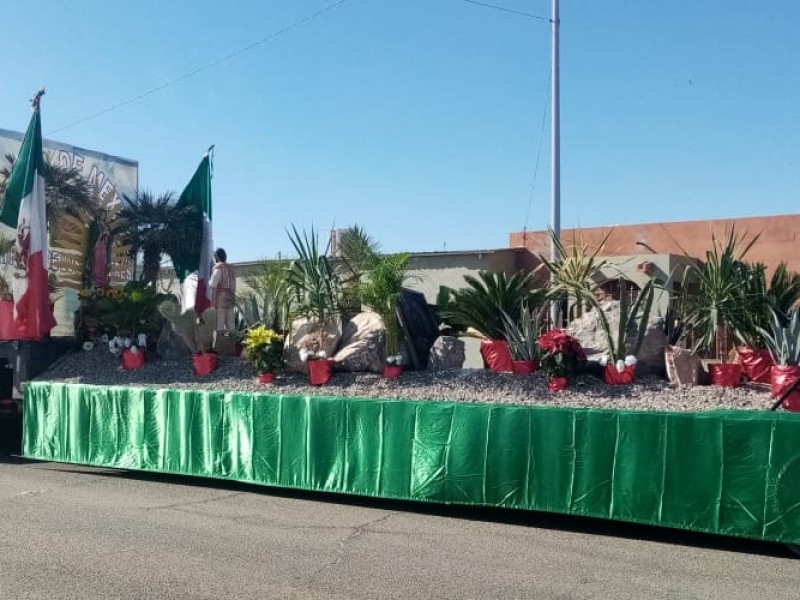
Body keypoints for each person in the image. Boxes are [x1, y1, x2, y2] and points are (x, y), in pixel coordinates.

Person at [209, 247, 236, 336]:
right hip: (231, 297)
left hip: (221, 298)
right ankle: (232, 343)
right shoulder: (231, 269)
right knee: (230, 322)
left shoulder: (218, 268)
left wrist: (210, 274)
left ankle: (220, 346)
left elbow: (212, 284)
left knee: (219, 323)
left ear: (217, 257)